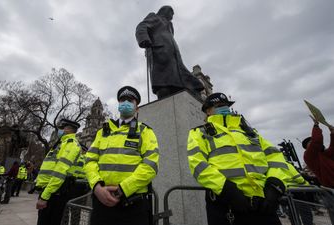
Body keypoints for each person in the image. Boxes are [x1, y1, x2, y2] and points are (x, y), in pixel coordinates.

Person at [187, 92, 292, 225]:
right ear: (208, 111)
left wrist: (275, 184)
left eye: (226, 105)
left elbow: (275, 157)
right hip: (226, 204)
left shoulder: (250, 132)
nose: (225, 108)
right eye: (219, 105)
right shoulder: (199, 133)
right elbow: (197, 164)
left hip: (263, 203)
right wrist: (227, 190)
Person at [84, 86, 160, 225]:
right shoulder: (102, 132)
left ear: (137, 109)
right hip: (101, 204)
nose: (125, 102)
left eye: (130, 100)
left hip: (133, 205)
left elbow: (151, 166)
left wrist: (123, 189)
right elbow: (89, 160)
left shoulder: (145, 131)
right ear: (118, 105)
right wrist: (97, 187)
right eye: (122, 100)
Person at [136, 6, 204, 99]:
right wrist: (144, 39)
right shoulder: (155, 16)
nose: (172, 16)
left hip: (174, 56)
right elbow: (141, 26)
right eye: (171, 13)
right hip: (159, 52)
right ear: (165, 11)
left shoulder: (170, 25)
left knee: (186, 81)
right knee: (163, 81)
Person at [35, 119, 81, 225]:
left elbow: (60, 172)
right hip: (49, 190)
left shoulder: (71, 144)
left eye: (62, 128)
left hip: (55, 193)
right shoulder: (61, 144)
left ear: (68, 129)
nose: (59, 130)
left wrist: (45, 196)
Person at [303, 116, 334, 188]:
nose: (312, 143)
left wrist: (332, 133)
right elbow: (317, 141)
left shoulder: (323, 155)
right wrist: (316, 125)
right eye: (310, 142)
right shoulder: (309, 157)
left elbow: (333, 148)